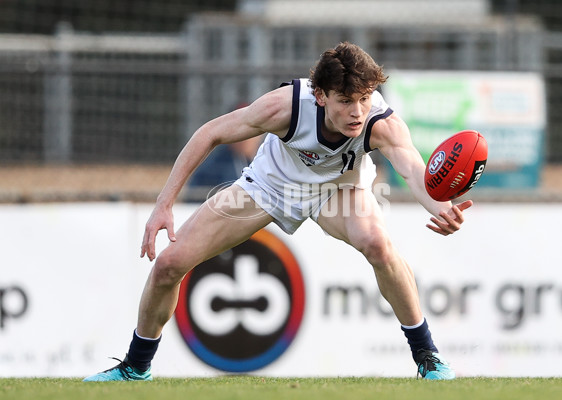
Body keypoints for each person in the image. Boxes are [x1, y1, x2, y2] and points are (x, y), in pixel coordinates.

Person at [83, 42, 472, 382]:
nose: (358, 111)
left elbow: (414, 171)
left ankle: (427, 356)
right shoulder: (285, 106)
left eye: (365, 98)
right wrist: (163, 204)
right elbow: (210, 133)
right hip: (269, 187)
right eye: (345, 100)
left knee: (378, 245)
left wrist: (443, 208)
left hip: (339, 190)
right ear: (320, 95)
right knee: (169, 264)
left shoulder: (380, 123)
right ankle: (136, 367)